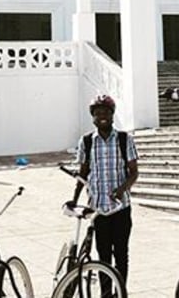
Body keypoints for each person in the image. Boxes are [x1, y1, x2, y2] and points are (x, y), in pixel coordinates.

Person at [69, 95, 139, 293]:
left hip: (121, 208)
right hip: (98, 210)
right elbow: (83, 174)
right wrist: (74, 200)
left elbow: (134, 173)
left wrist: (121, 189)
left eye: (106, 112)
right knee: (103, 256)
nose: (102, 116)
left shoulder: (125, 140)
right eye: (98, 113)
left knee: (121, 255)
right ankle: (106, 294)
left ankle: (120, 292)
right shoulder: (87, 142)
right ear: (93, 117)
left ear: (112, 114)